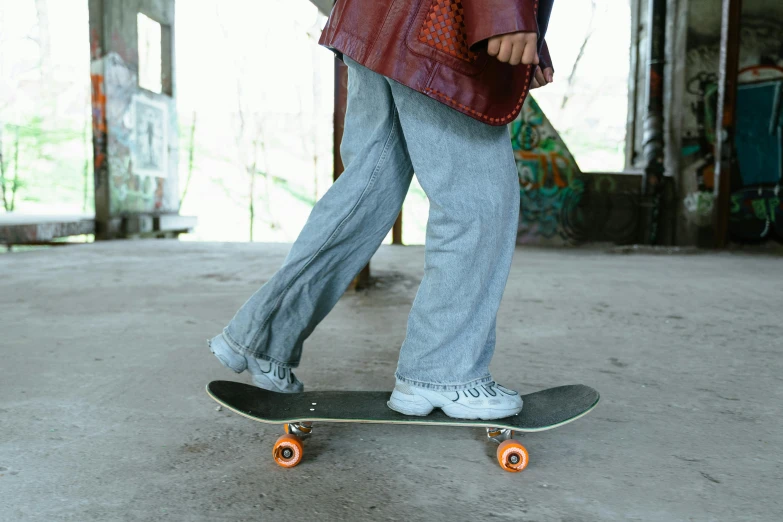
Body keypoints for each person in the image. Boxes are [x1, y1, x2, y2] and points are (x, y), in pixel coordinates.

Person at [209, 0, 556, 420]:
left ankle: (260, 336)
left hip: (376, 16)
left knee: (366, 192)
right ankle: (441, 372)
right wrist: (506, 16)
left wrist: (529, 29)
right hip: (439, 23)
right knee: (479, 201)